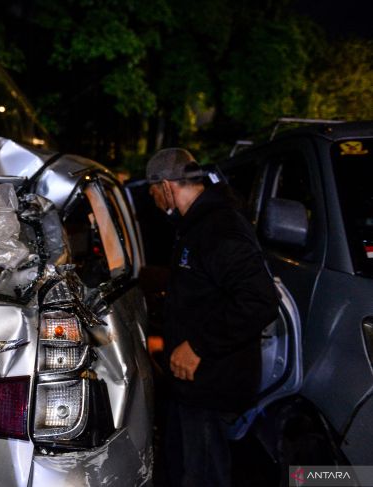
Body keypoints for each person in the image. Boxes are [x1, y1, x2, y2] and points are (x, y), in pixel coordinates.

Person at [146, 148, 279, 487]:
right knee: (184, 467)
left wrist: (199, 346)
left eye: (152, 192)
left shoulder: (219, 227)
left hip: (212, 383)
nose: (153, 200)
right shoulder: (197, 224)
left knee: (204, 476)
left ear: (165, 186)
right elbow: (207, 286)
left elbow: (260, 300)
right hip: (194, 386)